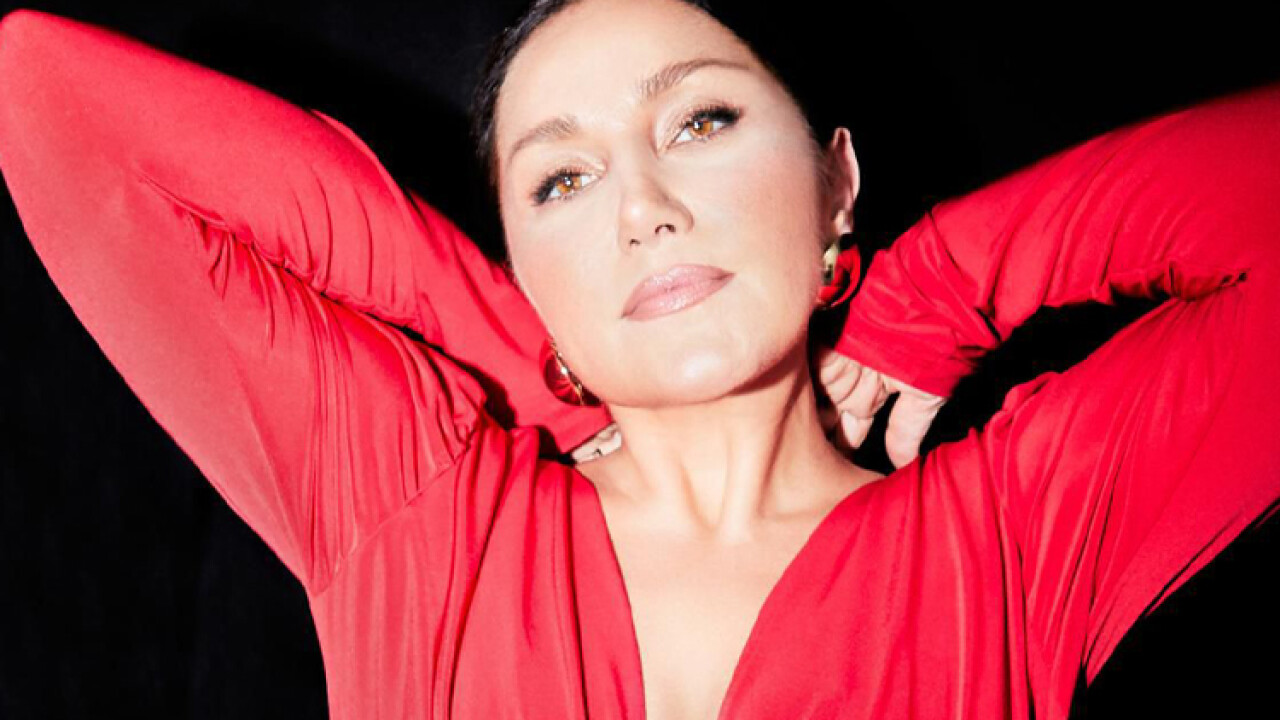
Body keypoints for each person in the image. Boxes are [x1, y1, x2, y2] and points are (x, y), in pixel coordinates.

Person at [0, 2, 1276, 718]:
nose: (642, 209)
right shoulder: (419, 506)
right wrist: (515, 355)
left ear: (835, 181)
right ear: (518, 257)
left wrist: (946, 279)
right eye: (561, 179)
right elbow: (46, 98)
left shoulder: (1013, 533)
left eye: (700, 119)